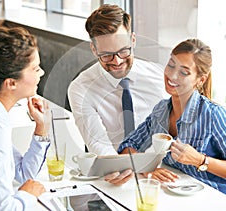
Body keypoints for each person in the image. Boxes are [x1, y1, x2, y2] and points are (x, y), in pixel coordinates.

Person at [116, 38, 226, 199]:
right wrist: (148, 168)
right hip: (177, 198)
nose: (172, 75)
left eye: (184, 72)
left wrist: (200, 160)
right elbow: (128, 145)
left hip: (218, 200)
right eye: (171, 65)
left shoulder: (213, 116)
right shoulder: (161, 110)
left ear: (200, 79)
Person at [68, 4, 167, 156]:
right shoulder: (81, 88)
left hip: (160, 167)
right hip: (113, 169)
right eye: (106, 55)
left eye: (123, 51)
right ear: (94, 50)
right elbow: (98, 143)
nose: (117, 61)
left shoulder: (159, 77)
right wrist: (134, 168)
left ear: (133, 40)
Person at [0, 26, 50, 210]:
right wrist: (28, 195)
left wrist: (41, 127)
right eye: (35, 68)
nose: (42, 73)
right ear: (11, 83)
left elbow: (23, 174)